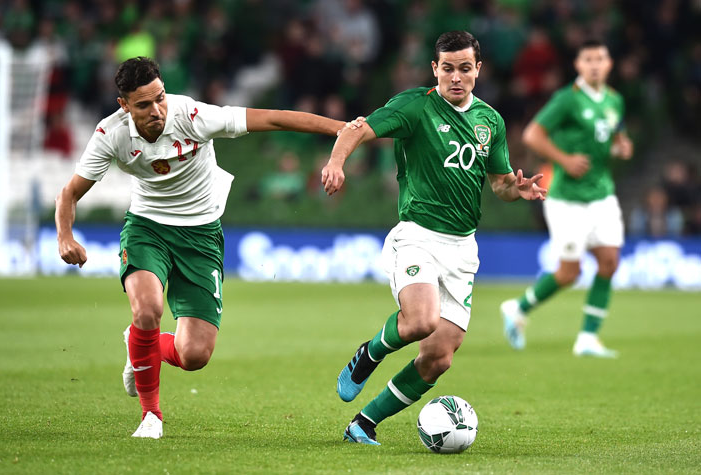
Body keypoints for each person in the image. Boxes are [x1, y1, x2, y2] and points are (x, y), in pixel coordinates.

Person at [55, 57, 357, 439]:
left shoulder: (193, 116)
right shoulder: (110, 135)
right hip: (148, 229)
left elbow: (275, 118)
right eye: (144, 104)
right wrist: (65, 236)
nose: (157, 110)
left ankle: (139, 345)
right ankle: (151, 416)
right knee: (148, 309)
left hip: (201, 236)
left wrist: (342, 129)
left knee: (194, 356)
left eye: (160, 98)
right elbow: (70, 192)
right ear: (124, 106)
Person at [320, 31, 546, 446]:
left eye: (464, 68)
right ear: (434, 69)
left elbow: (497, 184)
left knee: (439, 356)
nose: (455, 77)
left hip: (463, 249)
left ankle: (363, 425)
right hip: (418, 236)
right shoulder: (414, 106)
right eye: (447, 68)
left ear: (478, 70)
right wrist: (337, 162)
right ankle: (368, 354)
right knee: (421, 321)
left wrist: (517, 189)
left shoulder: (490, 121)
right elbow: (357, 129)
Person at [500, 39, 633, 358]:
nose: (595, 64)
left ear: (609, 64)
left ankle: (587, 338)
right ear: (578, 66)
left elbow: (613, 137)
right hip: (567, 199)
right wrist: (564, 159)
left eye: (600, 58)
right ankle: (517, 307)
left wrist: (621, 147)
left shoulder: (614, 100)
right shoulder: (566, 99)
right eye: (588, 59)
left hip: (602, 194)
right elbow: (532, 134)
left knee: (609, 261)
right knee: (569, 273)